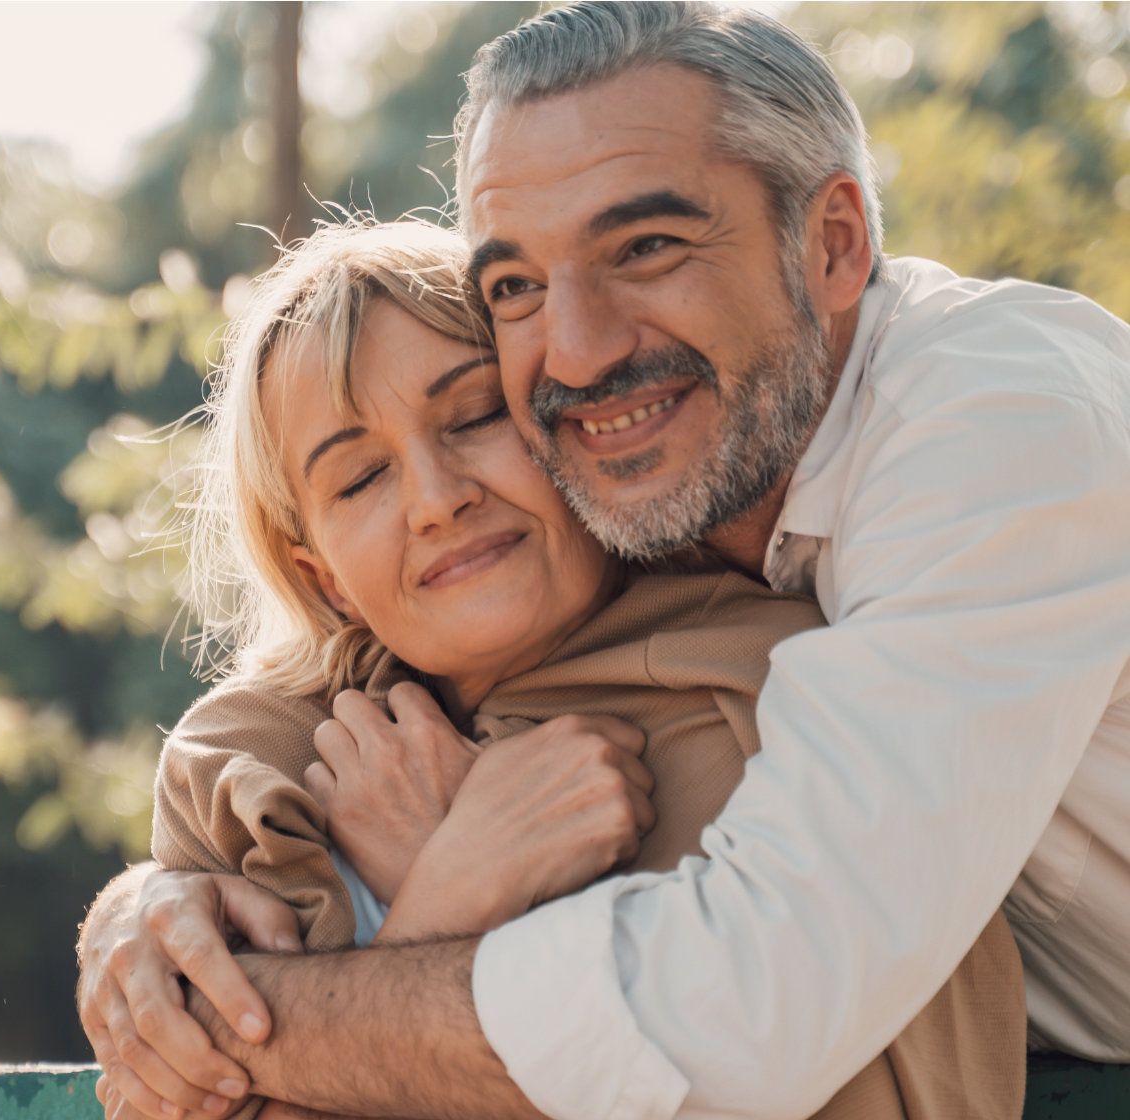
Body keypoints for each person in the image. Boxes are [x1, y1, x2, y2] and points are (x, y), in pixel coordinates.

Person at [78, 4, 1130, 1119]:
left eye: (645, 247)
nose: (576, 350)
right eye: (517, 287)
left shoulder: (995, 427)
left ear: (830, 243)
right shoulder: (669, 487)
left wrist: (236, 1018)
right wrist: (143, 913)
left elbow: (740, 1008)